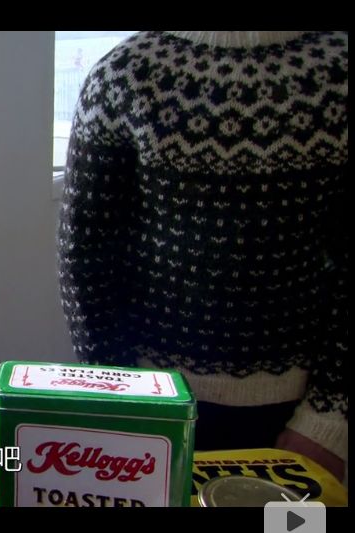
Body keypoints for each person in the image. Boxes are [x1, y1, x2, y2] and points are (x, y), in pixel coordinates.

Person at [57, 31, 348, 481]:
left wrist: (329, 421)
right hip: (152, 400)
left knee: (289, 520)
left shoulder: (338, 70)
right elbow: (86, 254)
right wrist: (119, 399)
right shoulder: (126, 74)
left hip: (299, 409)